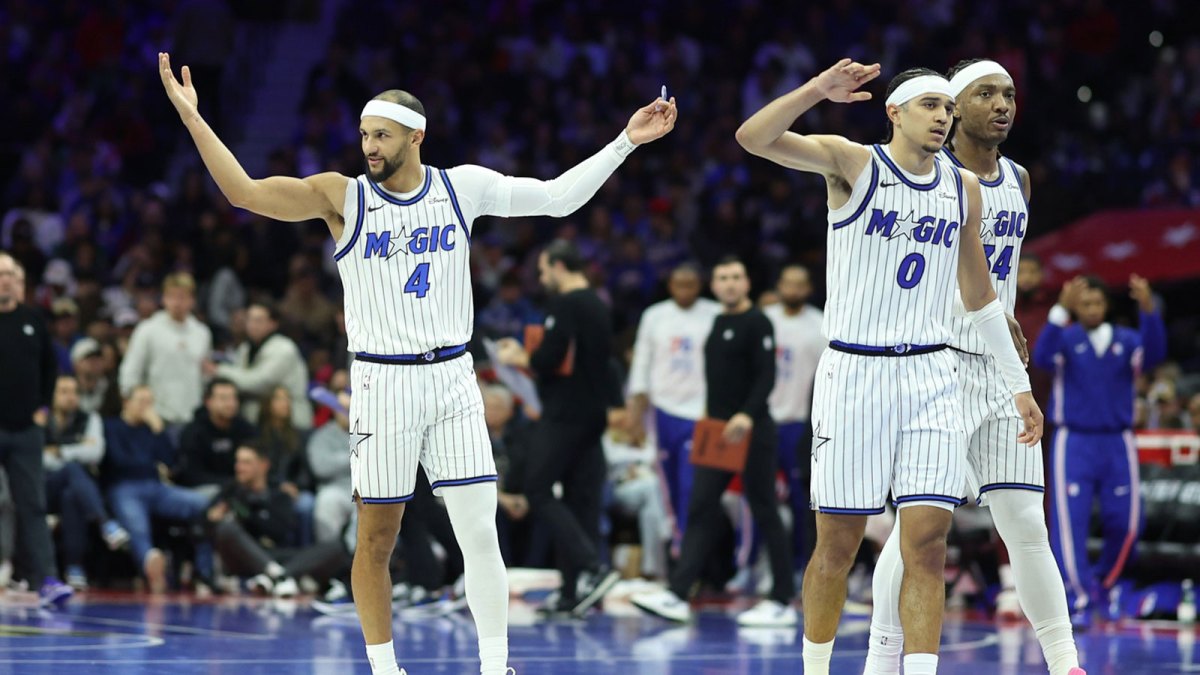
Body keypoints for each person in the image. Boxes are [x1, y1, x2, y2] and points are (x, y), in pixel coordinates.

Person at [159, 50, 676, 675]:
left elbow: (557, 199)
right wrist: (194, 119)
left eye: (381, 136)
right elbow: (244, 193)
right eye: (364, 135)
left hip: (453, 377)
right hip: (381, 381)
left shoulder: (462, 187)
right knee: (377, 538)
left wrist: (625, 141)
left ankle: (495, 666)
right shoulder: (342, 196)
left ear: (415, 136)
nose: (368, 147)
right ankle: (385, 669)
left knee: (478, 532)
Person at [733, 60, 1042, 675]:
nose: (942, 117)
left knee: (927, 544)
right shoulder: (853, 163)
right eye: (930, 105)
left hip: (931, 377)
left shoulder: (963, 188)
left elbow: (982, 299)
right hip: (855, 375)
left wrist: (1020, 387)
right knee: (837, 546)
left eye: (947, 108)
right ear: (894, 112)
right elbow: (753, 137)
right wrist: (817, 90)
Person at [862, 59, 1086, 675]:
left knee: (1026, 524)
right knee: (919, 532)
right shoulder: (924, 178)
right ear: (953, 106)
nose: (1002, 104)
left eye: (1008, 93)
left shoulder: (1018, 179)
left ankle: (1066, 663)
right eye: (986, 93)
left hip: (1000, 371)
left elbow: (996, 278)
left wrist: (1003, 324)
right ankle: (880, 661)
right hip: (937, 367)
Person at [631, 256, 796, 626]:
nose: (730, 283)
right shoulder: (718, 322)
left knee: (765, 509)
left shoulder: (758, 322)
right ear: (715, 285)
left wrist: (747, 415)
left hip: (753, 431)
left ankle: (782, 599)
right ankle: (678, 594)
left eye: (736, 277)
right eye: (723, 278)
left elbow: (766, 377)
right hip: (719, 433)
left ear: (747, 283)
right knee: (701, 507)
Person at [495, 240, 622, 616]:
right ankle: (571, 592)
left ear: (559, 266)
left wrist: (519, 356)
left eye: (543, 270)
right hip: (591, 414)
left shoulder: (567, 304)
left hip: (565, 414)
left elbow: (549, 359)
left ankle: (592, 567)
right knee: (579, 499)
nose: (541, 278)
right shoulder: (598, 303)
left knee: (537, 489)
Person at [1033, 274, 1167, 628]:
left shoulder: (1127, 340)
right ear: (1076, 308)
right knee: (1069, 526)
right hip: (1073, 441)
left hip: (1117, 441)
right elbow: (1041, 357)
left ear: (1106, 305)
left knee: (1127, 524)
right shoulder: (1065, 338)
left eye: (1097, 303)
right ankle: (1076, 598)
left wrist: (1149, 311)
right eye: (1085, 304)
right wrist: (1059, 310)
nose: (1092, 310)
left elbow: (1155, 355)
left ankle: (1104, 585)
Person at [625, 262, 719, 540]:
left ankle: (690, 545)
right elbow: (642, 362)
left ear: (699, 286)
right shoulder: (655, 316)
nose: (685, 291)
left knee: (693, 485)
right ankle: (677, 542)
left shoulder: (714, 314)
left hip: (701, 410)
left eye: (690, 285)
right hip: (663, 409)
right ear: (670, 286)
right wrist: (636, 410)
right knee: (668, 484)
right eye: (680, 285)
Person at [0, 251, 74, 606]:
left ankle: (47, 578)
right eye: (1, 274)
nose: (6, 280)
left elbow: (50, 368)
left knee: (33, 504)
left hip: (26, 430)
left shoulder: (33, 320)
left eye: (12, 274)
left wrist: (43, 409)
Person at [102, 385, 210, 593]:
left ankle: (204, 573)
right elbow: (118, 461)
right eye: (141, 401)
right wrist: (149, 463)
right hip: (124, 487)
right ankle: (151, 564)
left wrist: (160, 431)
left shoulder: (153, 429)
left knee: (204, 505)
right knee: (137, 524)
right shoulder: (111, 427)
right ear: (126, 403)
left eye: (150, 403)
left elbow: (171, 463)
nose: (146, 408)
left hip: (156, 487)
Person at [209, 443, 350, 597]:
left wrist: (251, 513)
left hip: (274, 554)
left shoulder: (279, 492)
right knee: (226, 528)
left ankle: (276, 577)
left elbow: (280, 531)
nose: (239, 467)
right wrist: (211, 518)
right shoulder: (230, 491)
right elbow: (204, 524)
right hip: (243, 558)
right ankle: (282, 577)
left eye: (246, 462)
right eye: (238, 462)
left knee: (336, 547)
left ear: (263, 465)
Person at [763, 263, 825, 571]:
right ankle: (762, 567)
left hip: (801, 423)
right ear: (779, 286)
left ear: (809, 289)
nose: (793, 290)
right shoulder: (765, 320)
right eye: (788, 283)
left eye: (799, 284)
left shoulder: (820, 325)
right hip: (765, 419)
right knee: (761, 498)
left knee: (802, 501)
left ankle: (803, 565)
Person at [42, 374, 131, 588]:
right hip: (44, 487)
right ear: (51, 395)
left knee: (71, 496)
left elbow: (95, 452)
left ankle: (75, 568)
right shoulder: (41, 420)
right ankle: (105, 523)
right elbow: (38, 458)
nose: (70, 397)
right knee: (73, 469)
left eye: (74, 392)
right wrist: (77, 449)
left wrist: (59, 451)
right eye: (64, 392)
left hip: (76, 490)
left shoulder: (89, 418)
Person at [117, 272, 212, 434]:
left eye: (182, 297)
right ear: (163, 299)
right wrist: (134, 405)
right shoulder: (147, 329)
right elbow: (130, 372)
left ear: (192, 300)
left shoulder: (202, 333)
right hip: (157, 416)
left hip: (192, 416)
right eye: (172, 296)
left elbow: (204, 376)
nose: (177, 302)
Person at [209, 301, 313, 429]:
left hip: (291, 423)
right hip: (259, 421)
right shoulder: (245, 348)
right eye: (249, 319)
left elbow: (259, 382)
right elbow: (238, 381)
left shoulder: (284, 348)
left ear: (273, 324)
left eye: (258, 320)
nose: (252, 325)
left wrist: (219, 370)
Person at [175, 377, 257, 499]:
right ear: (208, 402)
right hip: (204, 489)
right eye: (223, 398)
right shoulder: (193, 432)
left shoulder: (245, 428)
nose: (230, 404)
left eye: (233, 398)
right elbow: (192, 475)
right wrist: (232, 484)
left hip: (241, 486)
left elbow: (259, 462)